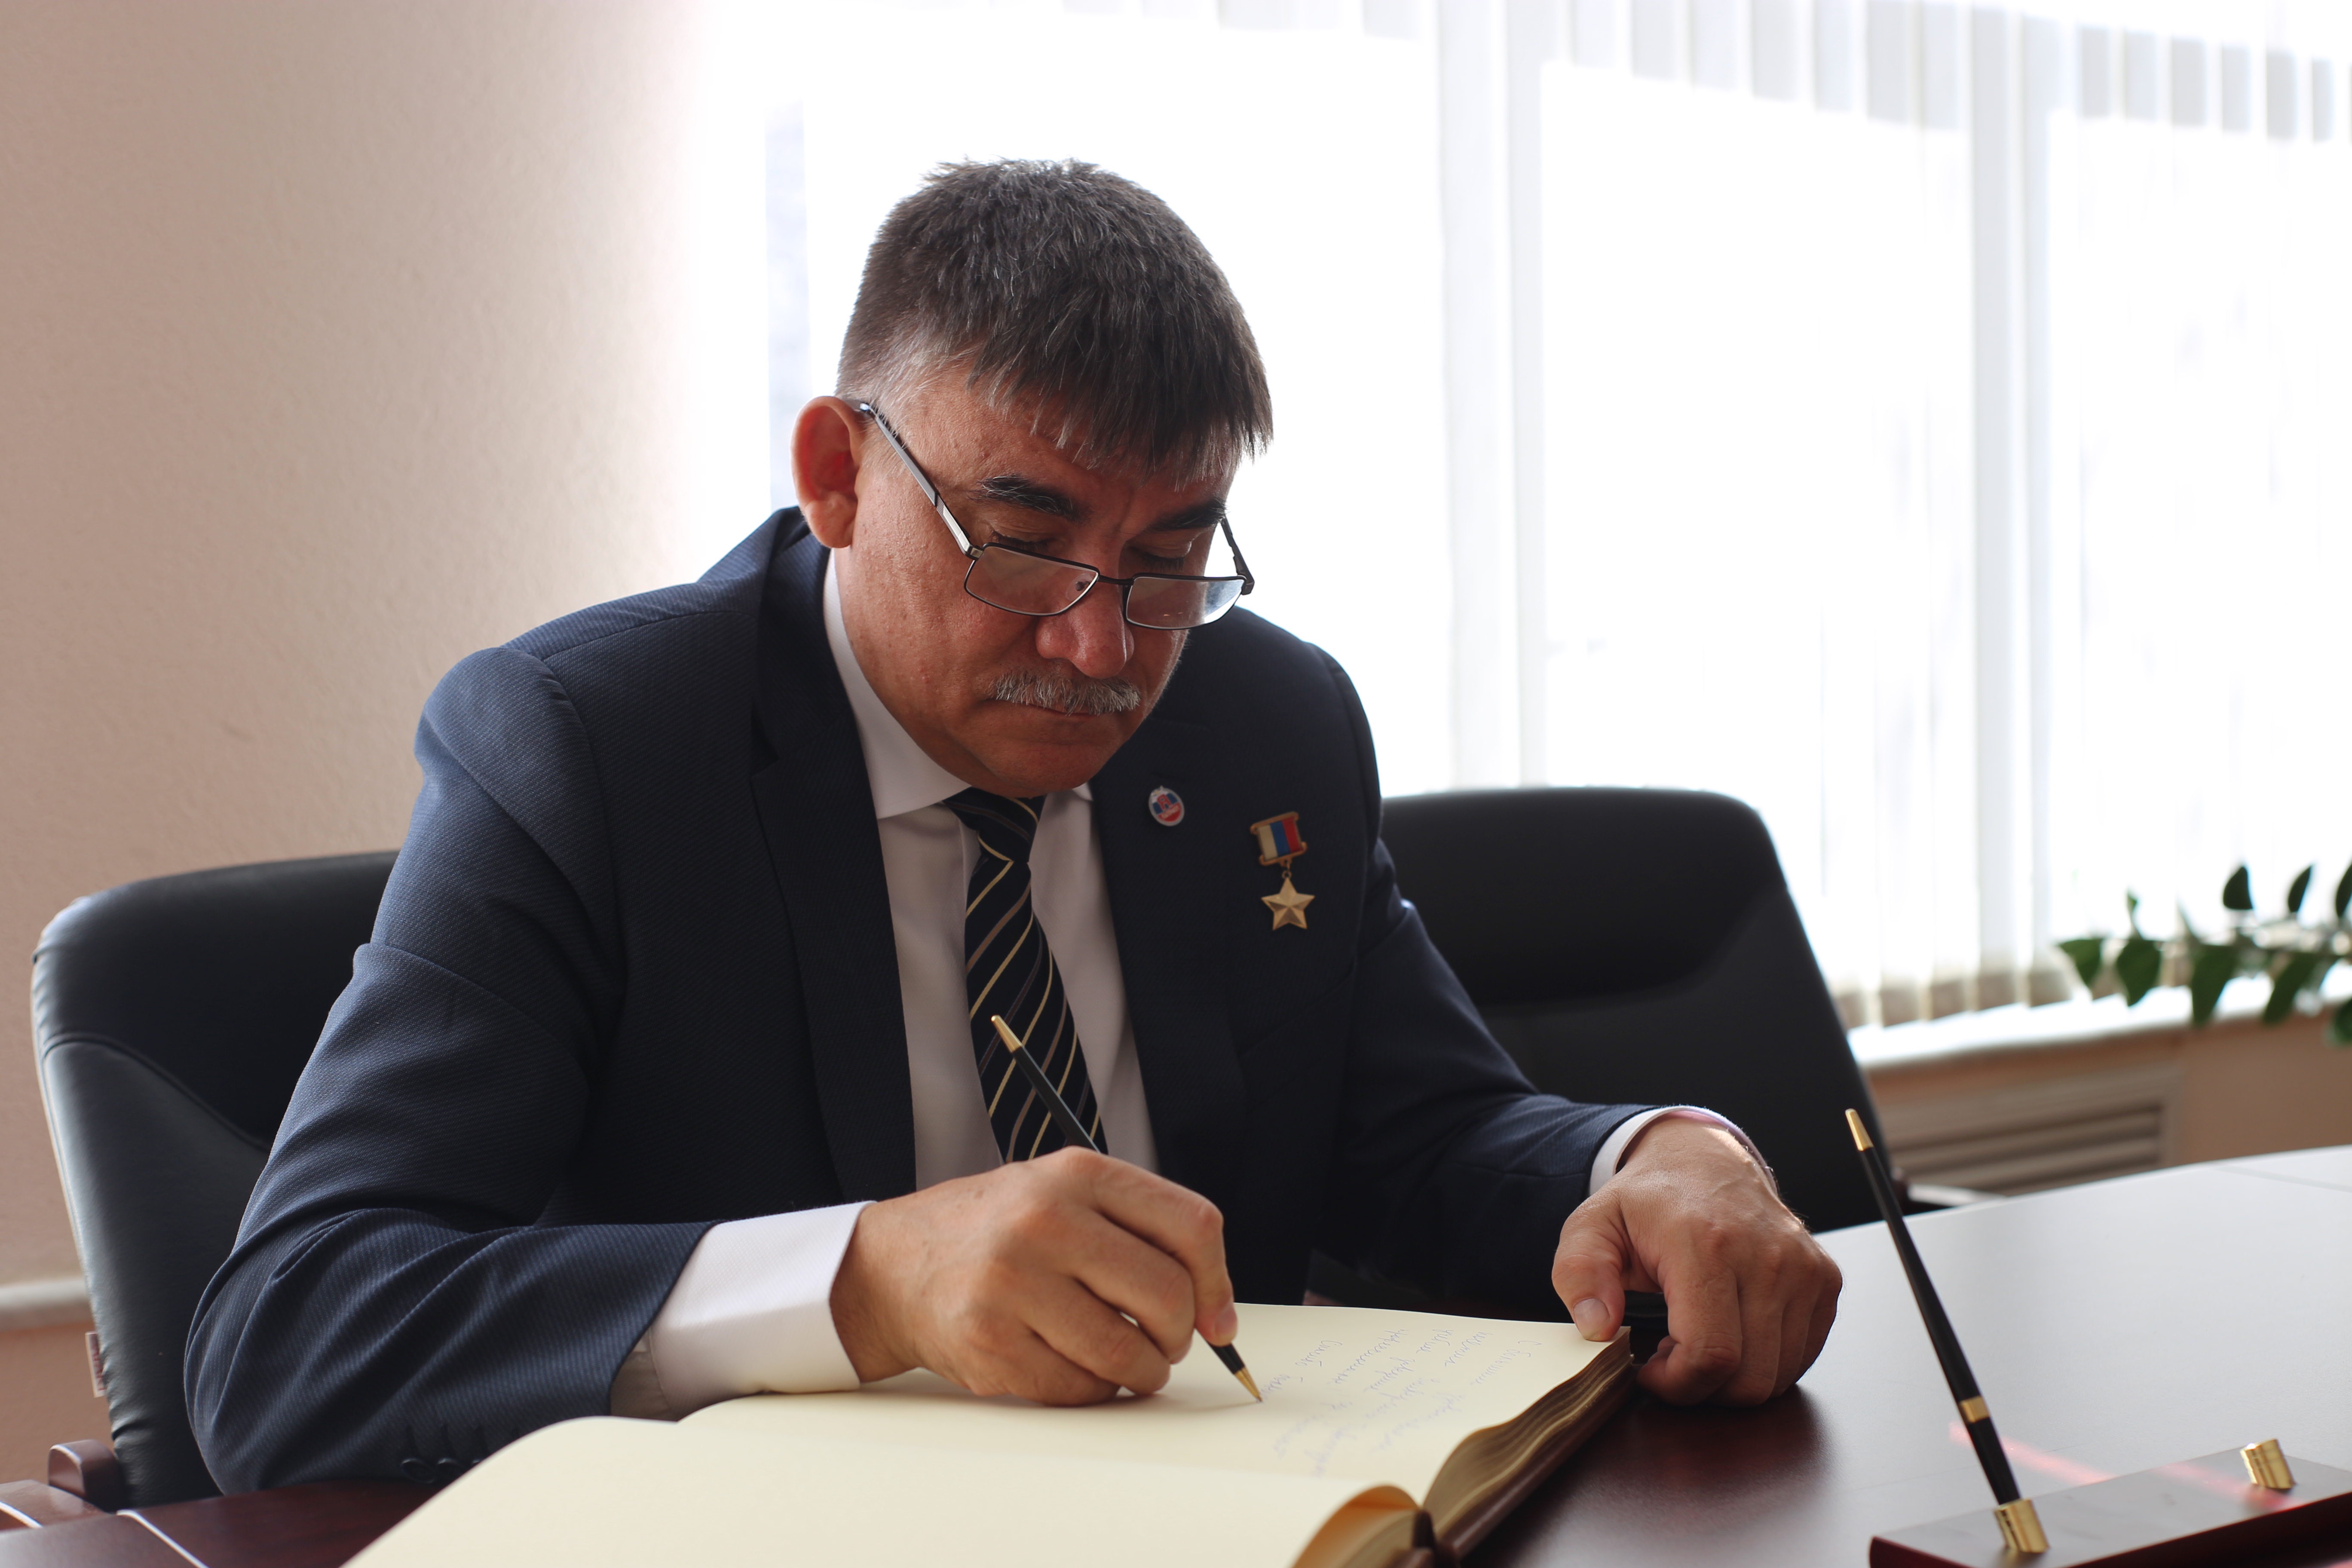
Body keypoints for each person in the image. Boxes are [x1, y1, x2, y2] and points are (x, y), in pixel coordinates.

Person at [187, 159, 1839, 1493]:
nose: (1103, 648)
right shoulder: (593, 752)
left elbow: (1424, 1137)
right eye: (1025, 540)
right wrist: (862, 1279)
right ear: (839, 474)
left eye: (1171, 558)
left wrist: (1650, 1157)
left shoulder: (1266, 723)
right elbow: (290, 1337)